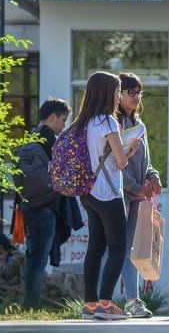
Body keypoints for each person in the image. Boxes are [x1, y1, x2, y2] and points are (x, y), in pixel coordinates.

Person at [72, 71, 142, 321]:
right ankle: (106, 303)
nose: (118, 95)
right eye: (117, 90)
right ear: (107, 93)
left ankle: (90, 304)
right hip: (109, 193)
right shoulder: (109, 122)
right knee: (117, 248)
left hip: (88, 192)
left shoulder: (85, 122)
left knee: (95, 247)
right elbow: (121, 162)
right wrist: (131, 148)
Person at [115, 72, 161, 318]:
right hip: (116, 195)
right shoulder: (113, 123)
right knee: (112, 248)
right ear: (118, 94)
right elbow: (114, 165)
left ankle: (132, 300)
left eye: (138, 92)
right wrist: (135, 187)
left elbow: (146, 162)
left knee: (129, 249)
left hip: (135, 197)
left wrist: (153, 177)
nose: (135, 96)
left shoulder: (139, 124)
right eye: (130, 92)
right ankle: (101, 301)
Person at [18, 98, 71, 309]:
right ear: (53, 116)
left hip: (30, 205)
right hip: (44, 207)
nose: (64, 126)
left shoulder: (31, 136)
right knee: (39, 259)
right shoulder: (48, 138)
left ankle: (28, 304)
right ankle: (31, 306)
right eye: (63, 120)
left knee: (34, 256)